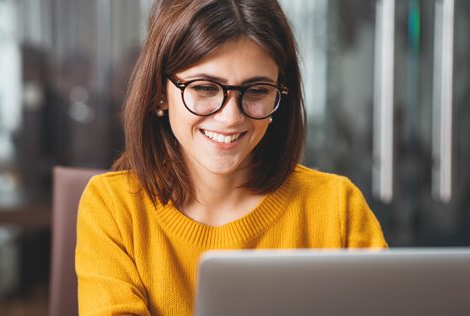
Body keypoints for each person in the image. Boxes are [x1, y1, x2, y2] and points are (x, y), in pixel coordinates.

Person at [75, 0, 387, 315]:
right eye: (205, 88)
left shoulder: (338, 207)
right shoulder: (113, 208)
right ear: (159, 91)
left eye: (256, 91)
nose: (230, 118)